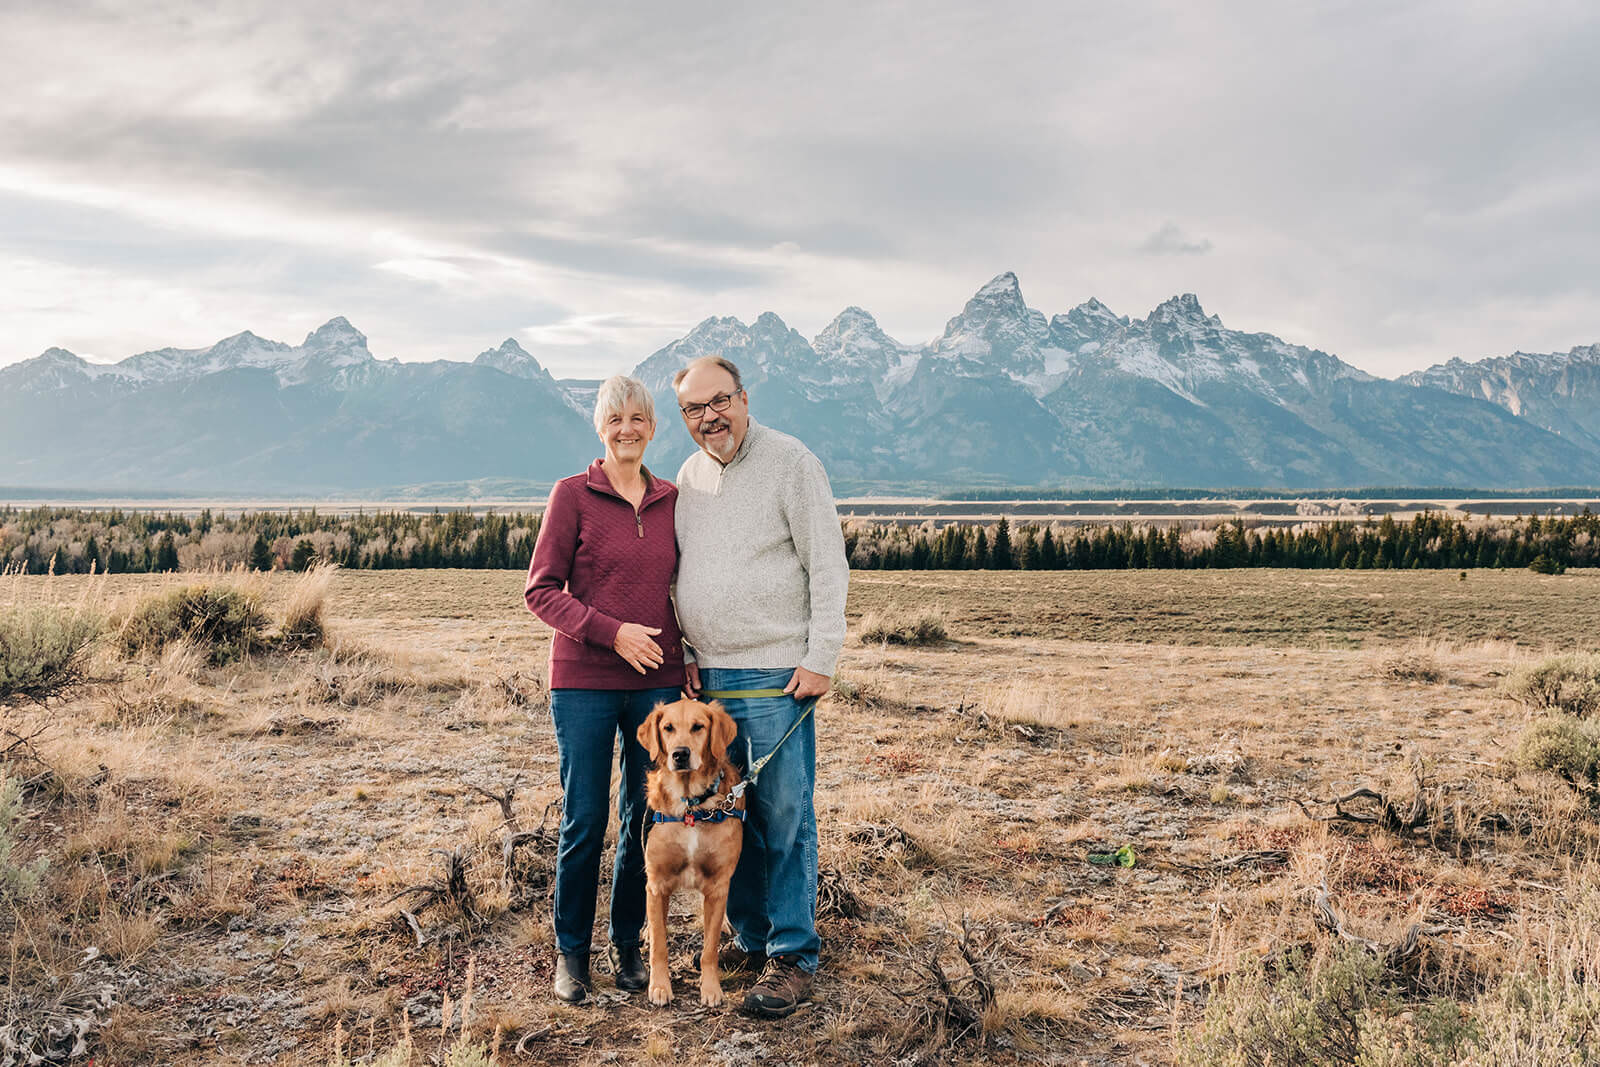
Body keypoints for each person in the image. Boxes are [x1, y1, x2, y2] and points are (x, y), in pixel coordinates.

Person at [671, 355, 849, 1019]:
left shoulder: (791, 462)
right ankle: (752, 935)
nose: (709, 416)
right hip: (711, 676)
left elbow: (827, 562)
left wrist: (821, 654)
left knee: (785, 813)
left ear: (745, 398)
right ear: (684, 416)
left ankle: (795, 953)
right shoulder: (688, 478)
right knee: (725, 812)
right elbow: (678, 573)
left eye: (720, 400)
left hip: (779, 675)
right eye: (695, 408)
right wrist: (688, 649)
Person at [524, 374, 685, 1004]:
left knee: (644, 818)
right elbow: (540, 591)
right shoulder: (571, 495)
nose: (628, 429)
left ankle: (627, 945)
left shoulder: (671, 499)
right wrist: (611, 633)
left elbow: (679, 592)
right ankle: (571, 955)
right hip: (585, 682)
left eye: (639, 418)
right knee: (586, 818)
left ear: (653, 426)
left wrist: (685, 658)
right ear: (600, 427)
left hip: (657, 684)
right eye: (616, 419)